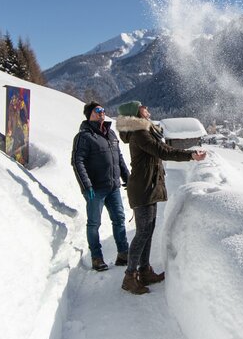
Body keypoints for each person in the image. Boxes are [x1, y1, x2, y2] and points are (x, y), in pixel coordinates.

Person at [116, 101, 207, 295]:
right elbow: (163, 151)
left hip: (148, 186)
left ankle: (144, 270)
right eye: (142, 107)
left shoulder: (146, 131)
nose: (147, 108)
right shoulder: (140, 133)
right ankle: (129, 276)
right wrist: (191, 155)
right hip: (143, 188)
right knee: (142, 233)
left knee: (147, 231)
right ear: (136, 113)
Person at [71, 101, 130, 271]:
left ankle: (123, 253)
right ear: (90, 114)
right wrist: (86, 185)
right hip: (95, 189)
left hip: (113, 186)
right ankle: (97, 257)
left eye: (103, 110)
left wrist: (127, 178)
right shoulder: (84, 136)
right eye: (98, 110)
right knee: (94, 223)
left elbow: (119, 159)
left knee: (119, 219)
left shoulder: (110, 134)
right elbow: (77, 161)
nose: (102, 112)